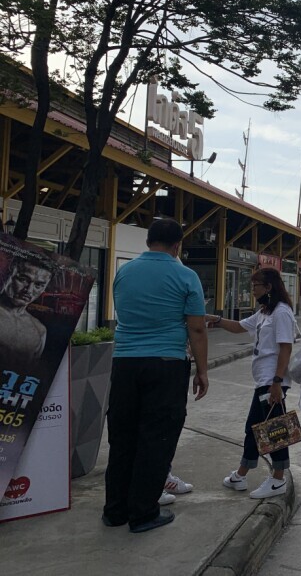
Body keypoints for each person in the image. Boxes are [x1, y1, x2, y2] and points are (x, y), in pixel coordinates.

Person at [103, 218, 209, 533]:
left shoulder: (124, 272)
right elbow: (197, 328)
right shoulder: (185, 276)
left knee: (122, 436)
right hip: (166, 365)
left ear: (149, 241)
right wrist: (202, 371)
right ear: (178, 245)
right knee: (156, 438)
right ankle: (143, 513)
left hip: (124, 364)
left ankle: (115, 510)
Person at [206, 267, 296, 499]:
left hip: (272, 381)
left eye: (256, 286)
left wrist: (277, 382)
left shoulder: (282, 313)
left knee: (274, 430)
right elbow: (238, 327)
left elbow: (286, 347)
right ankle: (241, 475)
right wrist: (215, 320)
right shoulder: (265, 312)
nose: (252, 290)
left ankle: (277, 480)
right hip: (263, 381)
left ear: (268, 287)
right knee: (254, 430)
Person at [0, 254, 53, 365]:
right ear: (8, 275)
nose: (29, 290)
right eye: (23, 279)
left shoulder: (40, 330)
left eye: (38, 285)